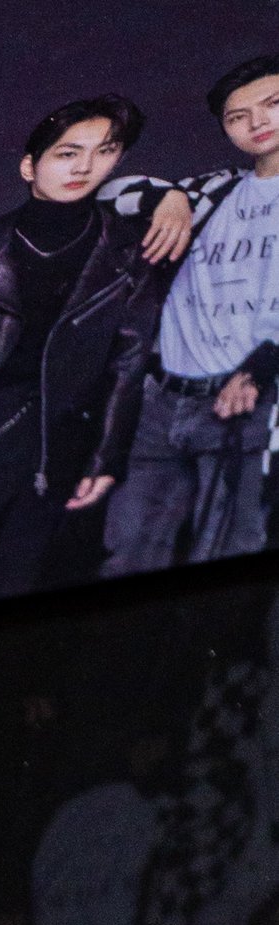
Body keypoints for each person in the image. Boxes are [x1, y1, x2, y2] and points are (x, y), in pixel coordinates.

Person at [0, 96, 176, 607]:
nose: (85, 167)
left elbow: (127, 363)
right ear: (29, 166)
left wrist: (105, 457)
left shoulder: (128, 256)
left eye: (104, 152)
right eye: (68, 153)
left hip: (60, 450)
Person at [103, 52, 279, 576]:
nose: (257, 122)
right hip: (162, 402)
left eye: (273, 104)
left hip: (249, 401)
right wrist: (170, 197)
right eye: (237, 116)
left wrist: (263, 368)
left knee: (228, 549)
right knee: (128, 551)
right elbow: (108, 192)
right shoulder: (214, 190)